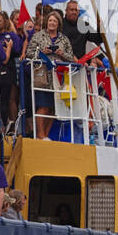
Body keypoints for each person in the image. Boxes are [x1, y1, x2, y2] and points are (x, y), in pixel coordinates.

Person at [25, 10, 77, 139]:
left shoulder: (64, 39)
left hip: (58, 77)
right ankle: (40, 135)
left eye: (55, 21)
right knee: (43, 106)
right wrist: (43, 52)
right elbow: (29, 54)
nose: (52, 23)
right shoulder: (38, 36)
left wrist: (61, 54)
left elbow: (71, 57)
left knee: (53, 108)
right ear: (46, 22)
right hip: (43, 76)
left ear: (58, 23)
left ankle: (45, 135)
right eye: (50, 20)